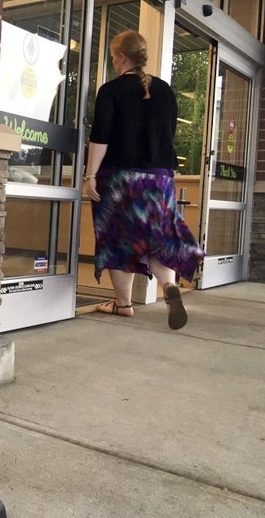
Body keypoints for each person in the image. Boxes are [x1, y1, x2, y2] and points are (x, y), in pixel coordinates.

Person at [84, 30, 204, 330]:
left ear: (121, 57)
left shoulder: (111, 90)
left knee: (118, 238)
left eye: (113, 57)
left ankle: (123, 304)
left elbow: (100, 138)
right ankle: (167, 286)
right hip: (160, 179)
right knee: (157, 237)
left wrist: (91, 176)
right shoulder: (164, 90)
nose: (113, 62)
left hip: (121, 178)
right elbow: (168, 135)